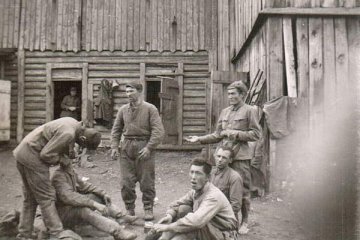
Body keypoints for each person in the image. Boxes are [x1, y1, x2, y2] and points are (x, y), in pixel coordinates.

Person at [185, 80, 261, 234]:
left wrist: (235, 134)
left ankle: (244, 222)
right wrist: (199, 139)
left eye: (233, 94)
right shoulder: (225, 112)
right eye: (229, 94)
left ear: (242, 94)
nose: (230, 97)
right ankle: (225, 219)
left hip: (240, 157)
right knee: (218, 187)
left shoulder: (249, 110)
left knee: (243, 191)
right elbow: (217, 135)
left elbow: (256, 134)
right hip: (223, 155)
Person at [13, 117, 101, 240]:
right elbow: (46, 154)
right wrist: (61, 159)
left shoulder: (72, 123)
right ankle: (56, 232)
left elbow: (55, 141)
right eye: (81, 145)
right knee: (47, 196)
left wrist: (67, 153)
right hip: (33, 156)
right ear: (82, 138)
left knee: (30, 198)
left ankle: (24, 234)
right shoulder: (69, 134)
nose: (79, 146)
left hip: (22, 153)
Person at [111, 82, 165, 221]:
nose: (128, 94)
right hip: (127, 147)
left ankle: (148, 208)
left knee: (147, 181)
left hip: (144, 146)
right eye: (127, 92)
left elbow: (158, 131)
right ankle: (129, 209)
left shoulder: (150, 109)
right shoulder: (123, 110)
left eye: (131, 91)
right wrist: (114, 147)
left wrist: (149, 148)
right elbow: (116, 130)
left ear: (139, 91)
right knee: (126, 182)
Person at [152, 158, 239, 240]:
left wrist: (167, 227)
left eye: (198, 173)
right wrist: (170, 215)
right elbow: (176, 204)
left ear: (208, 177)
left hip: (224, 234)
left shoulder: (213, 196)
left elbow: (196, 221)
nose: (193, 177)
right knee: (183, 209)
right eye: (192, 172)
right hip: (208, 227)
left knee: (189, 229)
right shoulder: (195, 191)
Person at [51, 162, 138, 240]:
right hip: (59, 216)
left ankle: (120, 216)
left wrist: (102, 193)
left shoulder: (69, 171)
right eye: (66, 155)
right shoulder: (58, 176)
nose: (69, 158)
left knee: (96, 196)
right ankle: (118, 231)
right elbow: (70, 197)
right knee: (83, 210)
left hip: (69, 208)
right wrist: (94, 204)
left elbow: (84, 186)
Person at [210, 146, 243, 221]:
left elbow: (235, 205)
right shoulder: (210, 173)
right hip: (209, 211)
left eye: (224, 158)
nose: (220, 160)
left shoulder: (234, 177)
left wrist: (214, 215)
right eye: (218, 156)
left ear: (230, 160)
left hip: (225, 218)